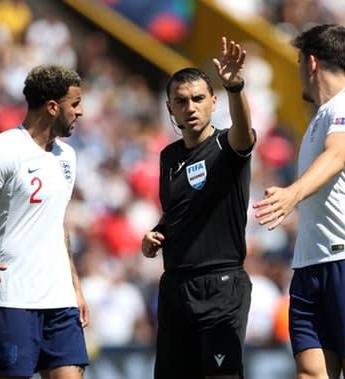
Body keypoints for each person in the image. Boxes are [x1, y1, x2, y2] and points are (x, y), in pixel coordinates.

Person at [253, 24, 345, 378]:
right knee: (310, 374)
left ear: (311, 63)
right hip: (309, 266)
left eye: (299, 62)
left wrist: (291, 193)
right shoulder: (321, 116)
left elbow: (336, 156)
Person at [0, 64, 90, 379]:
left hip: (59, 299)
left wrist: (75, 288)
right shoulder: (3, 151)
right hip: (11, 297)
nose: (81, 112)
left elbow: (57, 224)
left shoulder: (67, 156)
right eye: (75, 104)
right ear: (53, 107)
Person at [141, 36, 256, 379]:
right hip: (176, 285)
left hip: (221, 283)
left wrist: (236, 87)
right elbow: (179, 211)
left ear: (213, 102)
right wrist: (155, 235)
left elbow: (244, 133)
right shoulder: (169, 156)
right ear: (170, 108)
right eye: (181, 101)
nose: (190, 107)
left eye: (198, 99)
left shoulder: (227, 145)